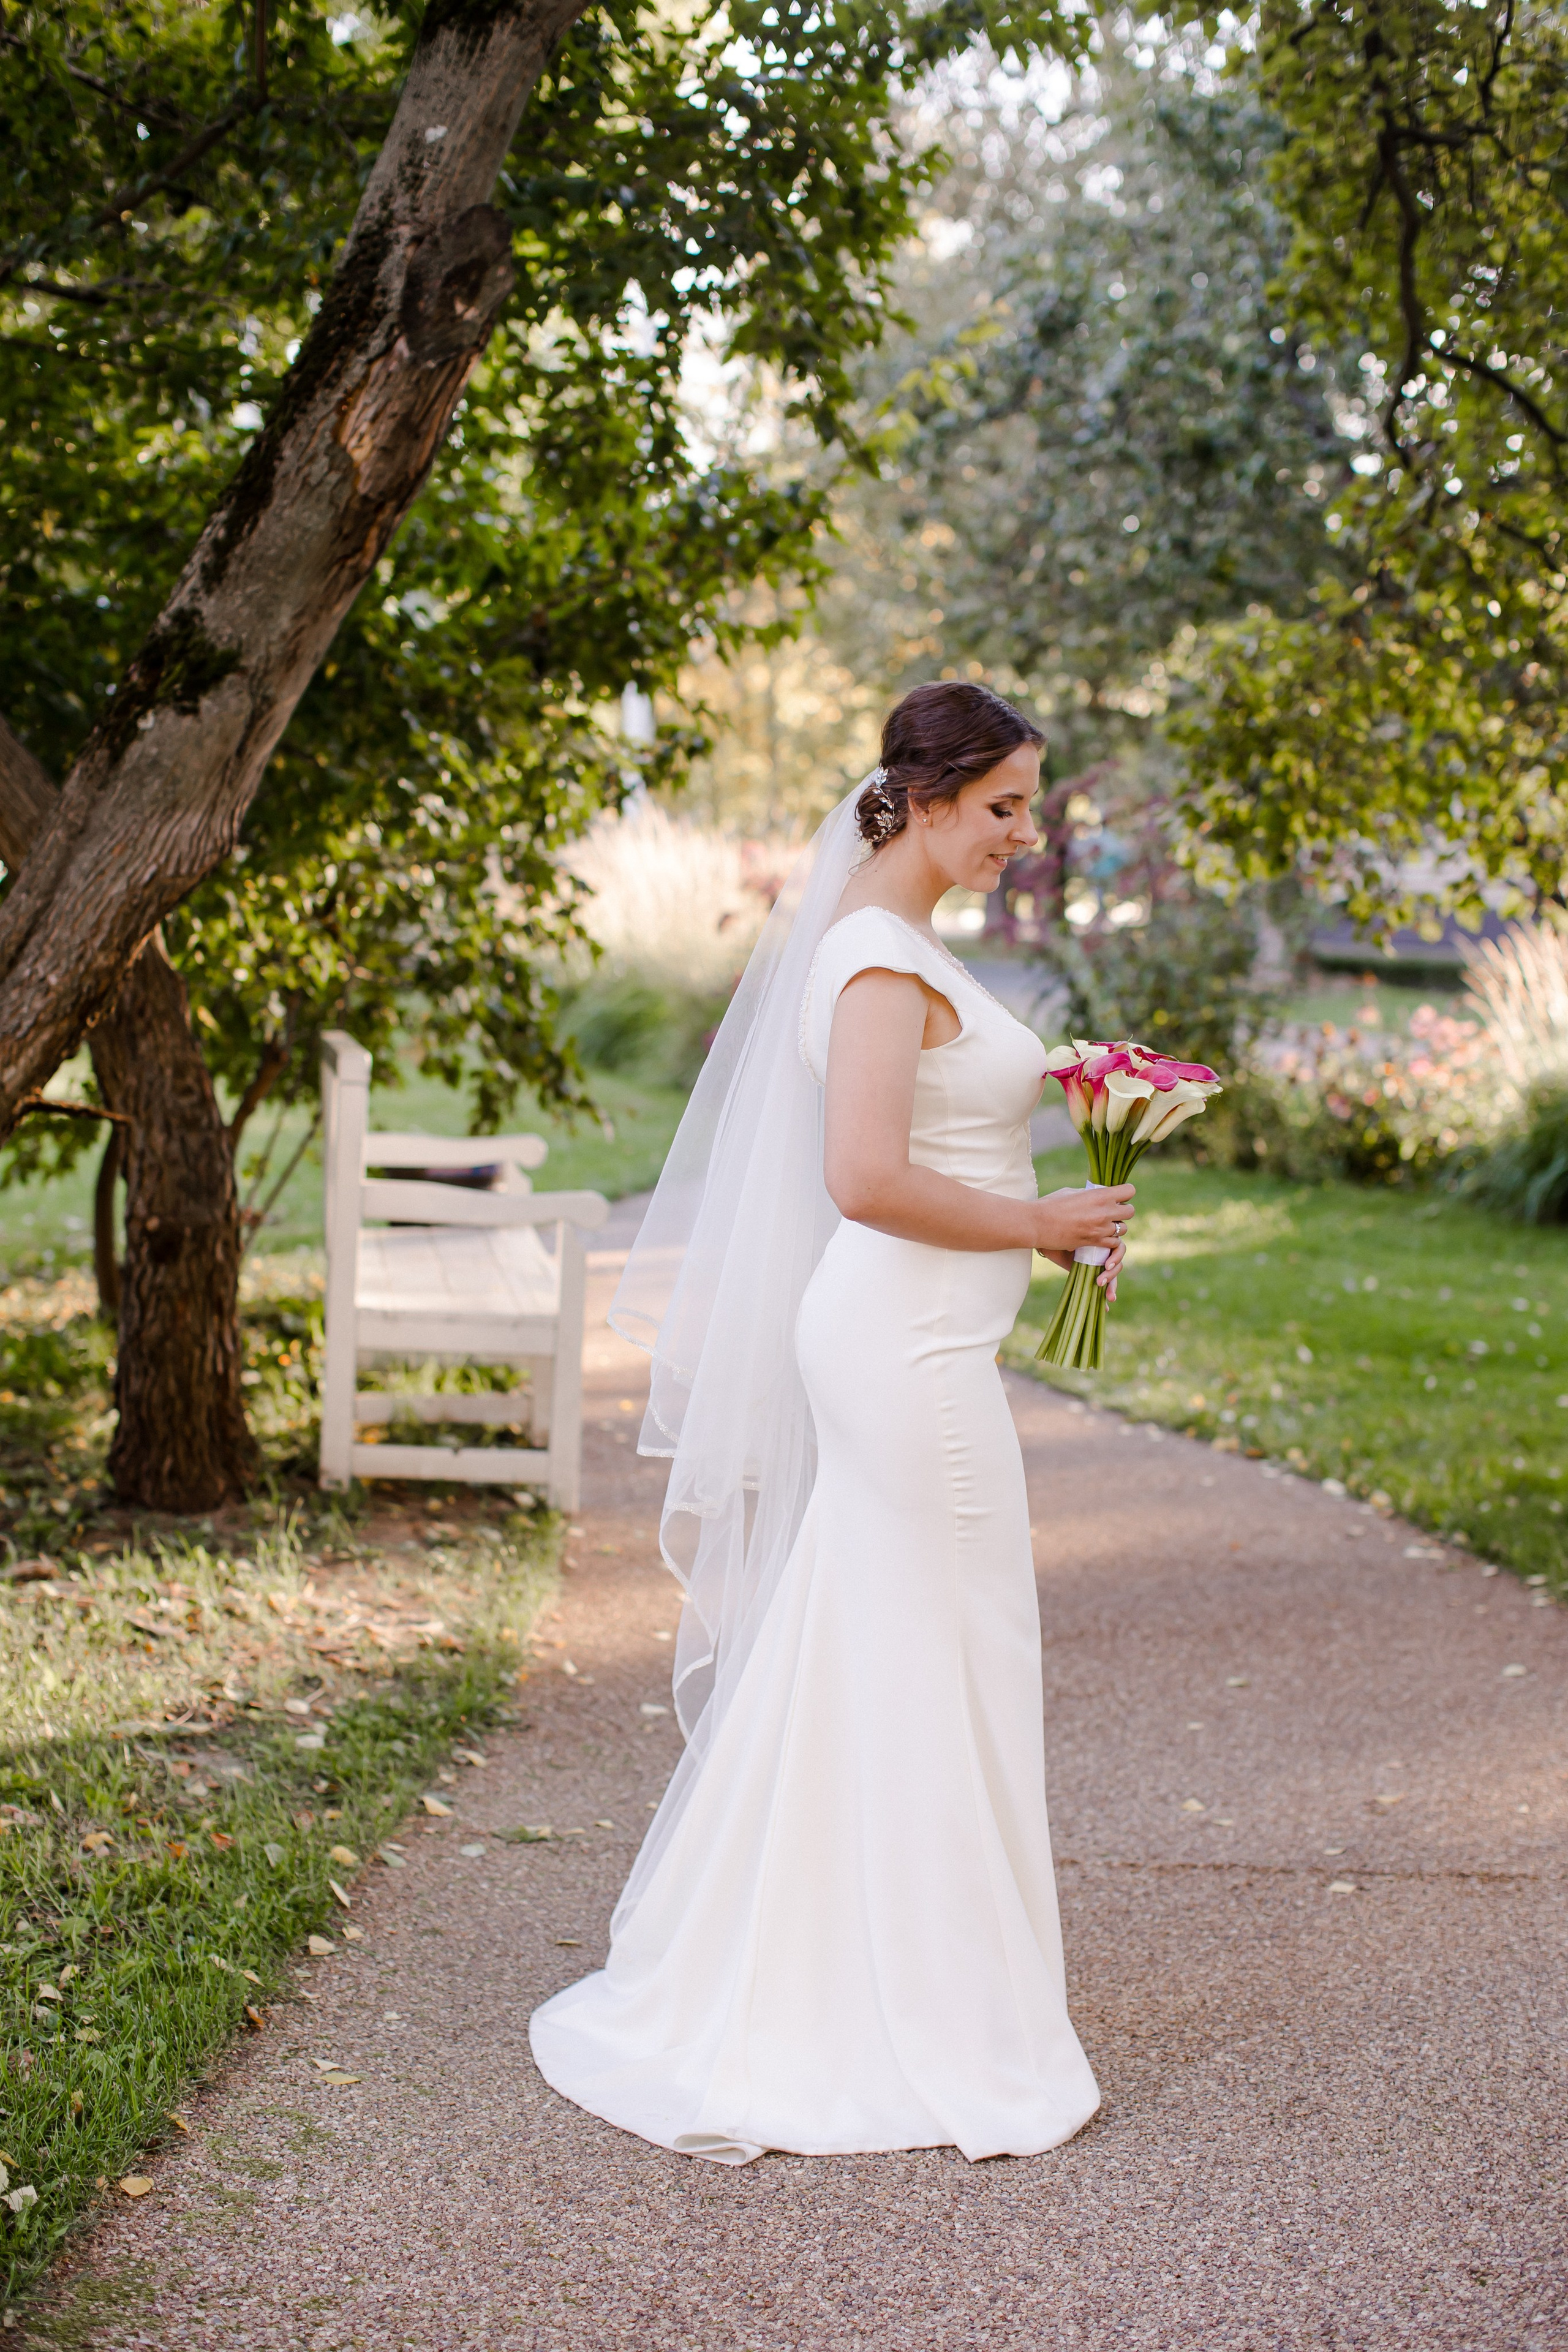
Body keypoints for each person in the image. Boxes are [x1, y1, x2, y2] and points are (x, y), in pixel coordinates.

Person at [529, 679, 1133, 2165]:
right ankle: (922, 2020)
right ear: (920, 798)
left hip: (922, 1342)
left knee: (876, 1650)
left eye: (1023, 807)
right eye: (998, 807)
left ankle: (867, 1981)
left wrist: (1076, 1137)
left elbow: (934, 1128)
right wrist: (1037, 1222)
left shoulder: (896, 939)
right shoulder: (873, 956)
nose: (1020, 834)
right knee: (954, 1653)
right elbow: (862, 1178)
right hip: (901, 1354)